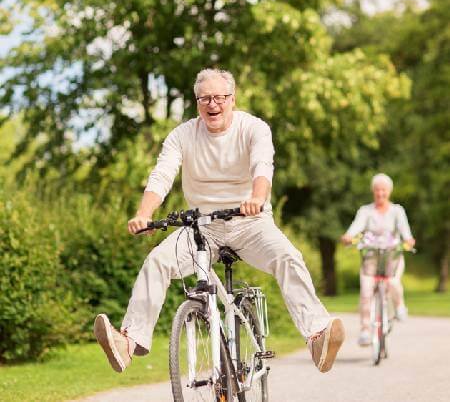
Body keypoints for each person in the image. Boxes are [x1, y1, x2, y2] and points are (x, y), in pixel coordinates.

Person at [94, 68, 345, 374]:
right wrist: (144, 214)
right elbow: (162, 175)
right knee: (157, 261)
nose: (212, 104)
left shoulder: (253, 128)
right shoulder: (183, 134)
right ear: (197, 102)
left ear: (232, 99)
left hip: (249, 222)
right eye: (204, 99)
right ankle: (128, 342)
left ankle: (317, 336)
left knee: (288, 257)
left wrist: (257, 197)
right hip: (201, 227)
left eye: (219, 98)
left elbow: (262, 166)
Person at [341, 173, 415, 346]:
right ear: (373, 192)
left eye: (383, 190)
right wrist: (348, 236)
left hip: (392, 256)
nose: (380, 193)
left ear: (389, 191)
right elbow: (356, 226)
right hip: (371, 257)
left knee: (393, 282)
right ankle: (366, 330)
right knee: (366, 292)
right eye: (377, 190)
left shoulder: (397, 211)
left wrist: (408, 240)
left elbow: (405, 232)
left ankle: (398, 306)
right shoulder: (366, 211)